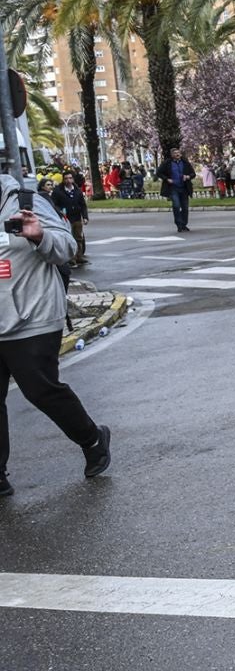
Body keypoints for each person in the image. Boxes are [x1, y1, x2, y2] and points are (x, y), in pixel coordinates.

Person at [0, 172, 110, 497]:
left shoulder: (26, 201)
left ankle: (92, 440)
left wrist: (39, 236)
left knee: (40, 390)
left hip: (32, 317)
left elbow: (66, 247)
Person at [50, 171, 88, 265]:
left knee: (79, 237)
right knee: (70, 238)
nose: (68, 180)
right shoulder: (58, 191)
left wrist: (85, 217)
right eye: (66, 178)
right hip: (66, 219)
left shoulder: (77, 190)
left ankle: (79, 256)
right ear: (63, 179)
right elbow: (54, 204)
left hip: (77, 217)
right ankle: (72, 258)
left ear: (73, 179)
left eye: (70, 178)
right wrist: (60, 212)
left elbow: (83, 205)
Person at [157, 147, 191, 232]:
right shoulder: (167, 163)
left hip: (184, 187)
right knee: (176, 206)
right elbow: (159, 172)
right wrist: (167, 179)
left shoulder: (185, 162)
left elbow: (192, 173)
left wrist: (188, 176)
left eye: (178, 152)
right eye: (175, 153)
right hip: (173, 188)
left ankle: (184, 224)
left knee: (185, 207)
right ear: (172, 155)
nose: (178, 154)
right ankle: (179, 224)